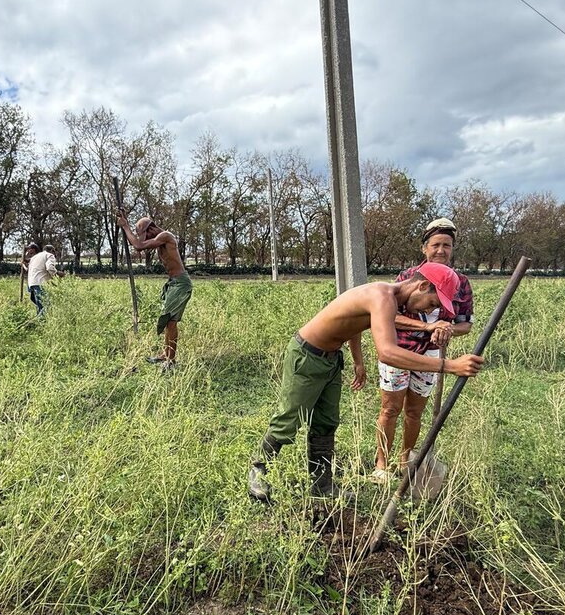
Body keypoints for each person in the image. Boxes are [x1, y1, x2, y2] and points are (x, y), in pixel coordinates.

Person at [247, 262, 484, 503]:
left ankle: (322, 485)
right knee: (289, 419)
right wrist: (450, 366)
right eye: (432, 303)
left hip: (330, 359)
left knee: (326, 422)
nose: (429, 310)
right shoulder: (382, 296)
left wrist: (357, 361)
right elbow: (388, 353)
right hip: (307, 356)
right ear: (422, 286)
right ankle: (258, 471)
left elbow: (355, 324)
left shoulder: (389, 299)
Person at [371, 218, 474, 484]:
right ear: (425, 248)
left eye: (447, 246)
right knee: (389, 409)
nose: (441, 250)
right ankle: (381, 463)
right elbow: (388, 317)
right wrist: (427, 327)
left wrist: (448, 329)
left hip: (430, 356)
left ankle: (406, 459)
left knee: (414, 411)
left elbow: (466, 324)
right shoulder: (408, 278)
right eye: (436, 245)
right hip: (400, 350)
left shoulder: (461, 283)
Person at [116, 211, 192, 368]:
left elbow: (138, 246)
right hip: (173, 283)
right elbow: (140, 246)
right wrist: (127, 223)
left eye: (146, 235)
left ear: (151, 229)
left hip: (181, 283)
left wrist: (125, 227)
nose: (148, 239)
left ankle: (171, 361)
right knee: (166, 320)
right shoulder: (160, 241)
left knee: (171, 322)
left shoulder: (165, 236)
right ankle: (165, 355)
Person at [26, 244, 64, 316]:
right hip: (40, 283)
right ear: (52, 251)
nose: (55, 254)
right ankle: (40, 324)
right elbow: (50, 268)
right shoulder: (49, 255)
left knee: (40, 306)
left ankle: (38, 324)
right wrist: (57, 274)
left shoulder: (34, 257)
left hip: (31, 284)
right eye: (54, 251)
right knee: (46, 306)